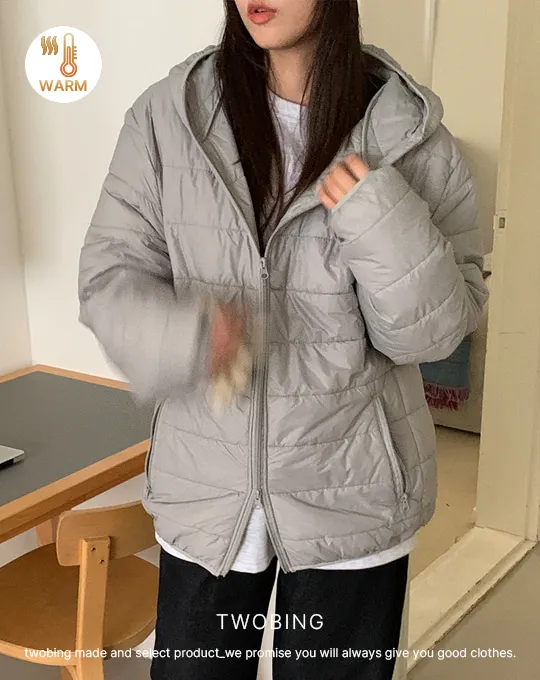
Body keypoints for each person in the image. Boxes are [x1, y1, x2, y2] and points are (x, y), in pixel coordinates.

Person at [78, 0, 489, 678]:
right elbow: (107, 279)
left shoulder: (410, 135)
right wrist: (193, 336)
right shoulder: (168, 117)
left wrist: (376, 211)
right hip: (209, 495)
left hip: (352, 495)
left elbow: (434, 335)